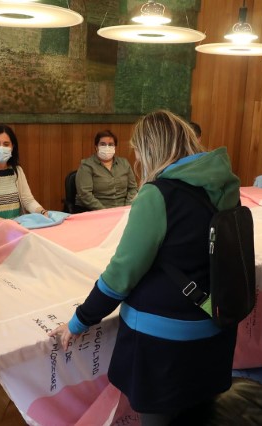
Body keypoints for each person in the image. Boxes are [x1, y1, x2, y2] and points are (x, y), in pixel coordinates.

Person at [49, 110, 240, 425]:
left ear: (153, 149)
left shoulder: (158, 194)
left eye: (137, 148)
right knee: (198, 412)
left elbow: (120, 276)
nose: (135, 157)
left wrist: (79, 321)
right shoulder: (223, 186)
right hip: (215, 323)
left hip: (164, 342)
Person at [0, 125, 48, 221]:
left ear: (12, 147)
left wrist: (42, 211)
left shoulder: (17, 171)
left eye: (6, 144)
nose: (1, 148)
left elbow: (28, 201)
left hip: (17, 228)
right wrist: (1, 222)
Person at [74, 130, 137, 211]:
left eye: (111, 144)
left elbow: (133, 188)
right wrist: (106, 212)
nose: (107, 147)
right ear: (96, 147)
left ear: (115, 147)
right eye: (103, 144)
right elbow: (85, 195)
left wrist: (127, 207)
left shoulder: (124, 163)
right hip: (96, 211)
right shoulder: (86, 166)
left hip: (123, 210)